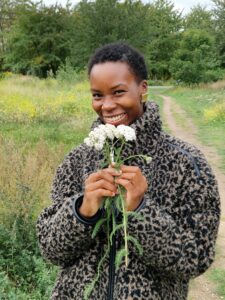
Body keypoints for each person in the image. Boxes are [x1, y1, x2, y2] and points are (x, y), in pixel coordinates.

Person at [37, 43, 220, 300]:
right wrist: (82, 210)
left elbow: (196, 259)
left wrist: (141, 211)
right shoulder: (77, 161)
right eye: (97, 95)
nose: (107, 105)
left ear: (142, 89)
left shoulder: (187, 163)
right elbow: (51, 250)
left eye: (118, 92)